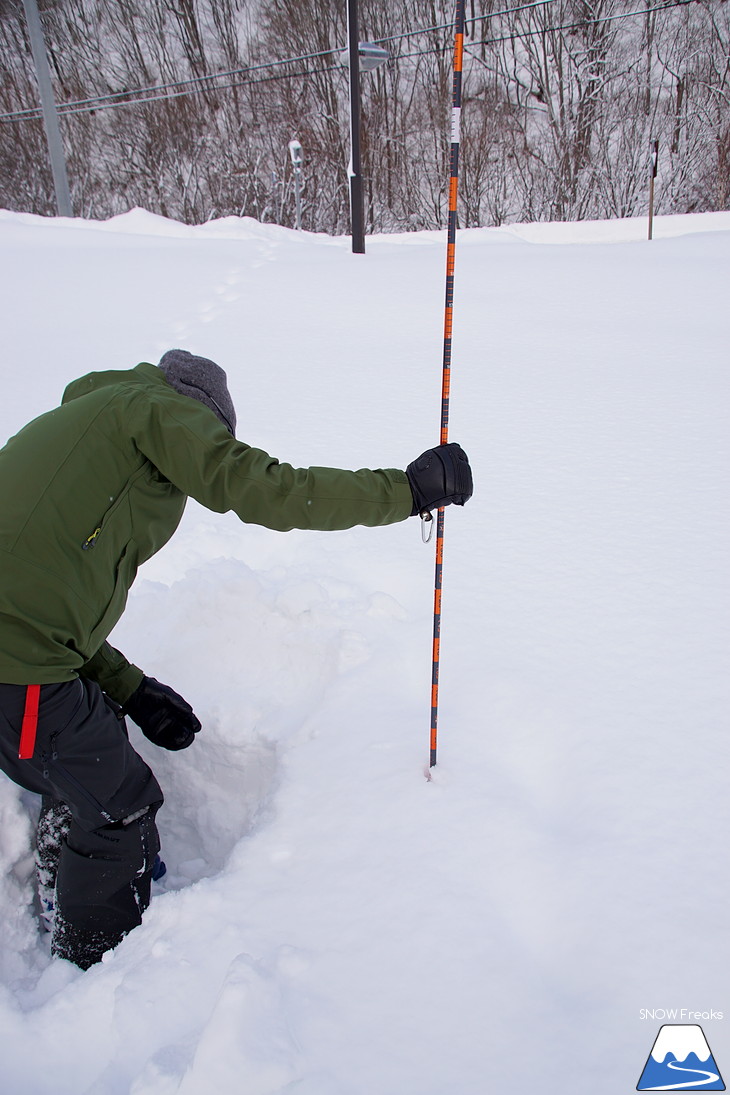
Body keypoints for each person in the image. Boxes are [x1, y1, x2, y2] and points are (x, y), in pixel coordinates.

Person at [0, 349, 473, 969]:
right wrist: (406, 492)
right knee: (121, 804)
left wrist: (130, 688)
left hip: (25, 648)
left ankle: (74, 880)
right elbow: (271, 490)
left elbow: (37, 590)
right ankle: (95, 965)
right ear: (202, 420)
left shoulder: (104, 420)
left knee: (86, 753)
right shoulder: (161, 413)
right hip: (20, 666)